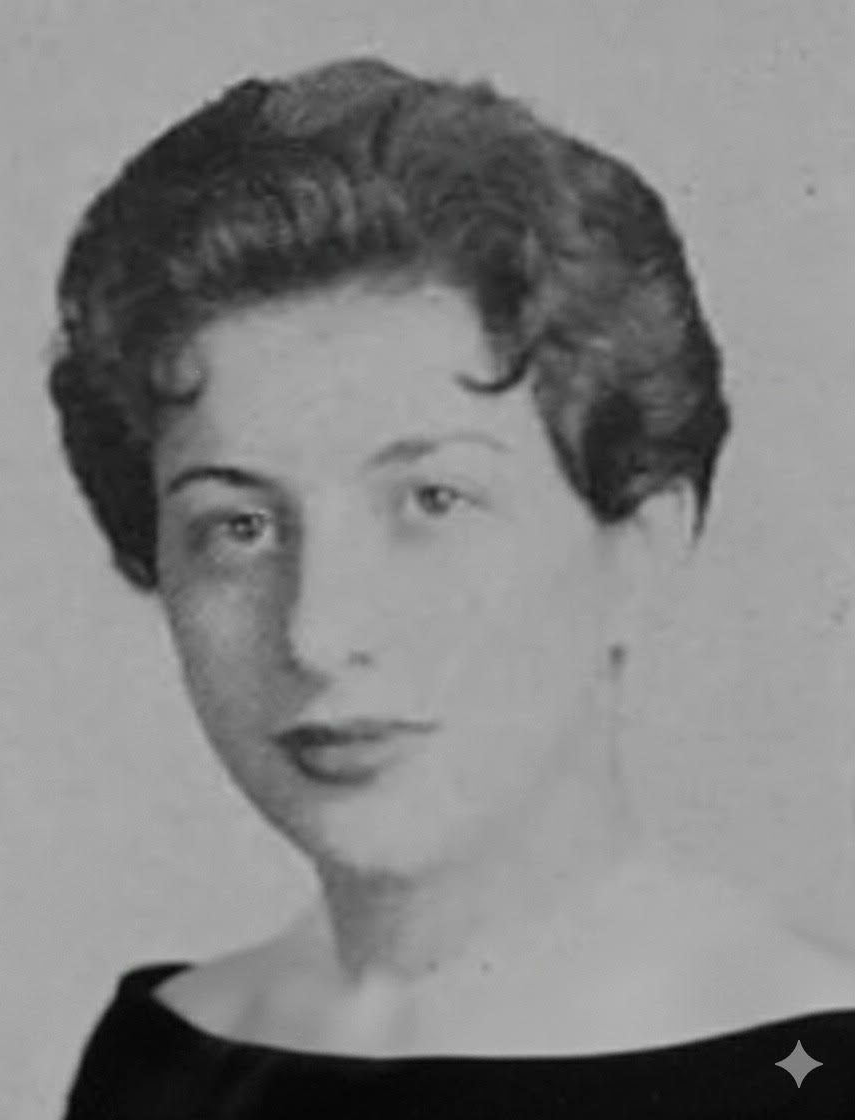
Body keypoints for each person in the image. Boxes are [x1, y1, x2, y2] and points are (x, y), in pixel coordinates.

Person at [51, 57, 855, 1118]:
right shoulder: (168, 1060)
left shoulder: (810, 1068)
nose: (318, 629)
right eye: (238, 527)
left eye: (432, 501)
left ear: (642, 547)